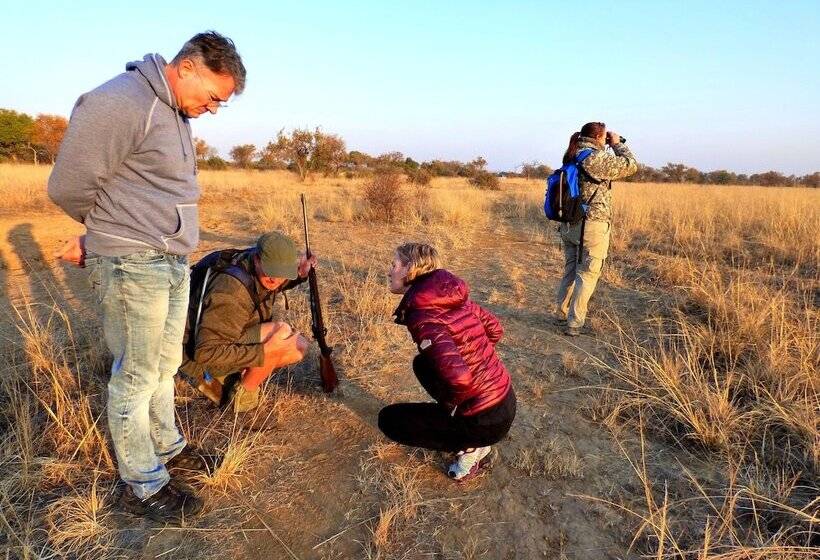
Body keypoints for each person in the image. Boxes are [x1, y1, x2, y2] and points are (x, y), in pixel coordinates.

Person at [48, 32, 246, 524]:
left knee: (164, 363)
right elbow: (68, 186)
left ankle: (168, 446)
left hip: (169, 261)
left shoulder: (173, 110)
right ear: (187, 69)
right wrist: (108, 235)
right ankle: (144, 480)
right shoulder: (120, 101)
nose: (214, 109)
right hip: (134, 261)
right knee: (135, 374)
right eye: (214, 97)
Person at [377, 243, 516, 481]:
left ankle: (471, 448)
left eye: (394, 265)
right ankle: (468, 429)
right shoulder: (450, 296)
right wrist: (479, 361)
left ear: (410, 269)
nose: (389, 271)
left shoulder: (423, 314)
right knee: (423, 363)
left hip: (485, 421)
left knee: (389, 420)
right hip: (506, 400)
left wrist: (451, 407)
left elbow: (460, 379)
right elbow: (495, 330)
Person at [179, 231, 314, 413]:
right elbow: (204, 352)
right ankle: (241, 403)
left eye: (282, 273)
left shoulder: (251, 261)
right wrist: (264, 351)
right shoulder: (231, 291)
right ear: (258, 259)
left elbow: (272, 282)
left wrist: (300, 274)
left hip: (229, 336)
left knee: (298, 346)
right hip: (197, 359)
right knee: (282, 337)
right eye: (271, 271)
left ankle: (232, 377)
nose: (275, 279)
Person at [555, 122, 638, 336]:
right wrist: (618, 144)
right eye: (604, 137)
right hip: (591, 225)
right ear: (599, 136)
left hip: (568, 224)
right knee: (588, 274)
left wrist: (606, 144)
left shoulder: (572, 153)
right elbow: (630, 165)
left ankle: (561, 313)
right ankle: (575, 322)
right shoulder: (593, 157)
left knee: (571, 270)